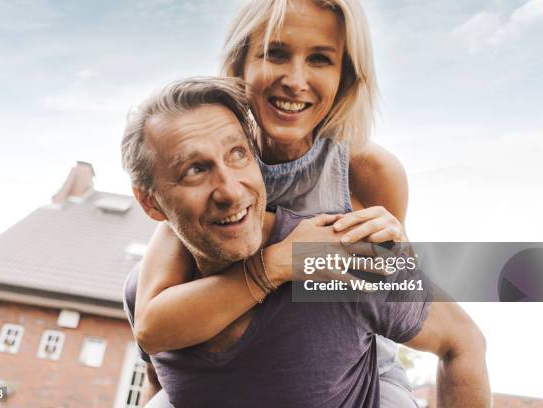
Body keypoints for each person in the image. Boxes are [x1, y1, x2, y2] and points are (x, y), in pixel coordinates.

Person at [121, 77, 490, 407]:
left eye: (238, 154)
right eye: (195, 170)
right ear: (150, 202)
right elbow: (160, 381)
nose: (230, 192)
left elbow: (463, 341)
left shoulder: (336, 254)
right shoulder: (147, 291)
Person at [132, 0, 416, 406]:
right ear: (241, 63)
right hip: (229, 365)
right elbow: (153, 326)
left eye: (320, 59)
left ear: (345, 76)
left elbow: (394, 296)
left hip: (356, 372)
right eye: (276, 53)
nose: (295, 80)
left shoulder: (371, 173)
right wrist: (280, 262)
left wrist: (393, 258)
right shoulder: (213, 177)